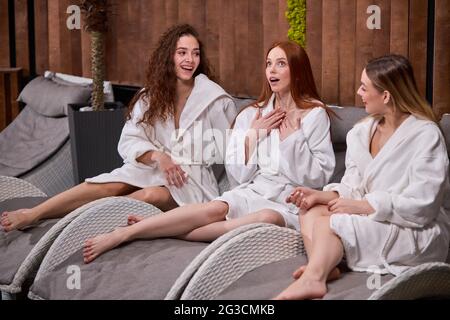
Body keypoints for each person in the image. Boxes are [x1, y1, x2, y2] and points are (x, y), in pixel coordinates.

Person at [82, 40, 336, 264]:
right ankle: (122, 233)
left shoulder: (314, 115)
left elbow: (318, 179)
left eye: (281, 63)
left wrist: (291, 141)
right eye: (269, 63)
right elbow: (238, 177)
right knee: (214, 209)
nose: (272, 70)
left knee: (267, 216)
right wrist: (253, 136)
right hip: (255, 189)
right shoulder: (253, 114)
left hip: (290, 201)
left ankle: (169, 230)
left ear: (298, 70)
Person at [1, 24, 236, 232]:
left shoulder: (215, 99)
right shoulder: (151, 97)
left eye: (195, 53)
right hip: (153, 168)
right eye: (182, 53)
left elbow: (230, 149)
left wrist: (236, 199)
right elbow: (129, 140)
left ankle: (82, 223)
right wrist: (158, 156)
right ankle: (34, 213)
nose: (190, 60)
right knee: (110, 185)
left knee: (150, 194)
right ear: (168, 57)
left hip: (190, 180)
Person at [275, 54, 450, 300]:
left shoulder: (425, 136)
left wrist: (363, 206)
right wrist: (321, 195)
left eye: (364, 88)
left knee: (328, 222)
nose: (359, 93)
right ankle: (325, 266)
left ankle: (313, 278)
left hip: (415, 228)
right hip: (373, 216)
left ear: (386, 96)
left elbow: (424, 205)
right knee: (310, 210)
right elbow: (352, 186)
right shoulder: (361, 133)